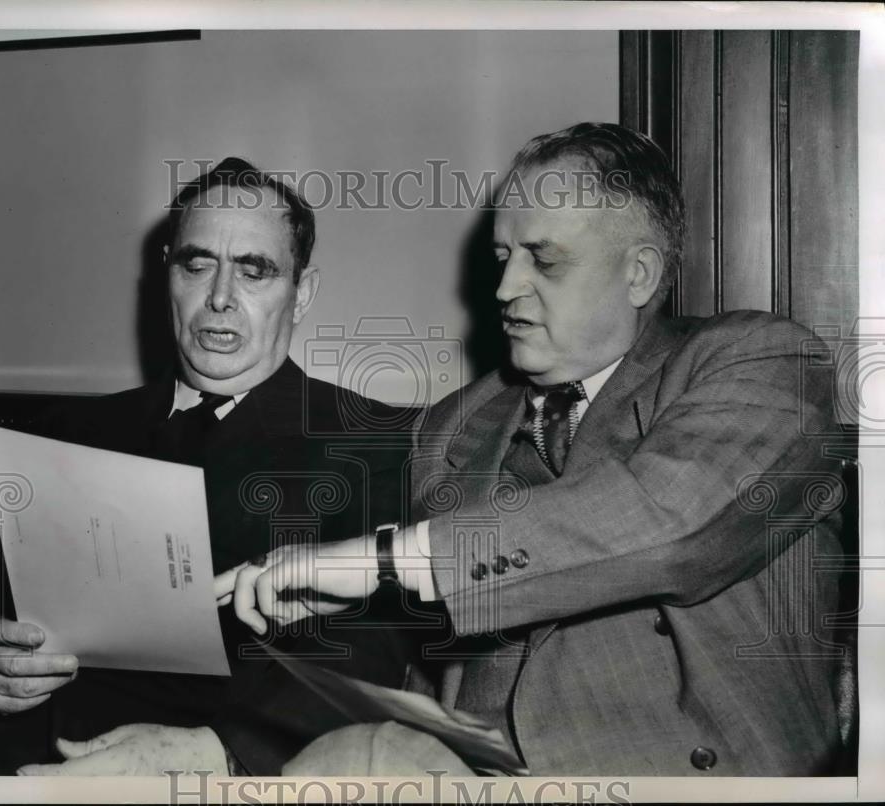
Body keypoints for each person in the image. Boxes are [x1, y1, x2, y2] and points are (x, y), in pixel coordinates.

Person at [218, 123, 849, 776]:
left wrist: (379, 562)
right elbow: (427, 662)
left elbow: (671, 524)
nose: (504, 288)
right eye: (502, 258)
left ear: (639, 274)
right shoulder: (456, 424)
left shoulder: (764, 362)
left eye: (543, 260)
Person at [0, 158, 412, 776]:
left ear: (302, 293)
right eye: (197, 264)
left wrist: (222, 754)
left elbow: (367, 661)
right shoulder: (54, 434)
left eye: (254, 271)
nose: (221, 298)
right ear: (166, 277)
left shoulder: (375, 444)